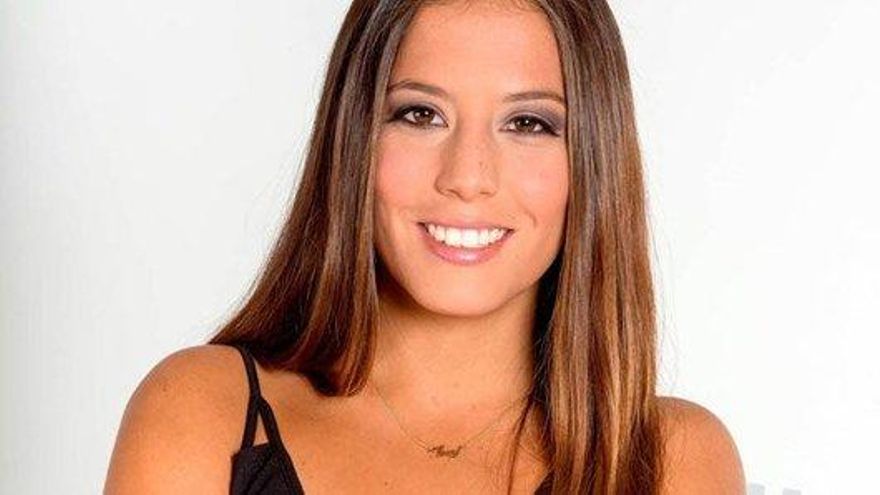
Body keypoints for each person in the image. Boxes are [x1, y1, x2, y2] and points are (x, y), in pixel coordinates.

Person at [104, 0, 745, 493]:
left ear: (594, 161)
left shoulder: (672, 461)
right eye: (420, 114)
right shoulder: (204, 411)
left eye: (528, 123)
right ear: (354, 138)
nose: (467, 176)